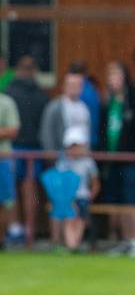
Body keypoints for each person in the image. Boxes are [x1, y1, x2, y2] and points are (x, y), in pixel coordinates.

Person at [99, 61, 135, 257]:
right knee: (118, 200)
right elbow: (103, 130)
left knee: (132, 199)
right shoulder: (107, 103)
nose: (112, 79)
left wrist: (131, 150)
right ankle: (125, 239)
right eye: (110, 75)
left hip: (130, 160)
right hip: (112, 160)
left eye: (116, 75)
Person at [6, 56, 49, 246]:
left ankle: (16, 228)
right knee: (29, 188)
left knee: (12, 190)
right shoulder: (42, 95)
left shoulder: (9, 93)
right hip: (33, 147)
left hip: (14, 148)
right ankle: (30, 230)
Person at [53, 127, 100, 252]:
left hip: (83, 197)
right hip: (67, 198)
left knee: (80, 220)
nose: (74, 150)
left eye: (77, 146)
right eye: (71, 146)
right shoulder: (63, 163)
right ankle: (70, 244)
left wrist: (90, 197)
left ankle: (74, 244)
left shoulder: (88, 163)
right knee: (69, 218)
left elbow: (95, 184)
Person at [39, 72, 91, 152]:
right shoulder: (54, 107)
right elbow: (47, 133)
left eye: (78, 85)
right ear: (64, 86)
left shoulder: (84, 107)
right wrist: (52, 155)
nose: (75, 87)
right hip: (62, 156)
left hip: (83, 157)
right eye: (72, 84)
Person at [0, 91, 20, 249]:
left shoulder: (6, 102)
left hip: (2, 158)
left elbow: (13, 130)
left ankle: (1, 240)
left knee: (4, 202)